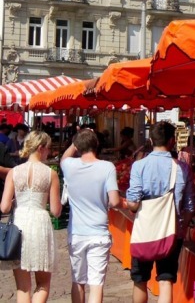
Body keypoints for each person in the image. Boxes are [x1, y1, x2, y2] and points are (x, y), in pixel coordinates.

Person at [126, 121, 195, 303]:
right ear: (172, 141)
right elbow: (189, 207)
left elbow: (133, 204)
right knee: (165, 280)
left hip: (145, 231)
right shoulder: (182, 168)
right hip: (172, 232)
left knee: (140, 279)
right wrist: (182, 228)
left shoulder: (139, 166)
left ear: (150, 140)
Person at [0, 131, 62, 303]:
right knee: (43, 284)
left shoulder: (14, 172)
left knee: (22, 287)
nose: (49, 152)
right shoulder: (51, 173)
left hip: (19, 224)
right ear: (41, 148)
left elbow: (4, 206)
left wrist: (15, 201)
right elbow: (56, 211)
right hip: (40, 224)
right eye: (48, 148)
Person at [60, 129, 121, 303]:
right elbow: (115, 201)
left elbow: (64, 157)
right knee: (96, 284)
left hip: (77, 232)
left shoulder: (69, 165)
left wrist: (75, 142)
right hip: (99, 232)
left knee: (78, 281)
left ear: (78, 147)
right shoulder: (107, 167)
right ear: (97, 145)